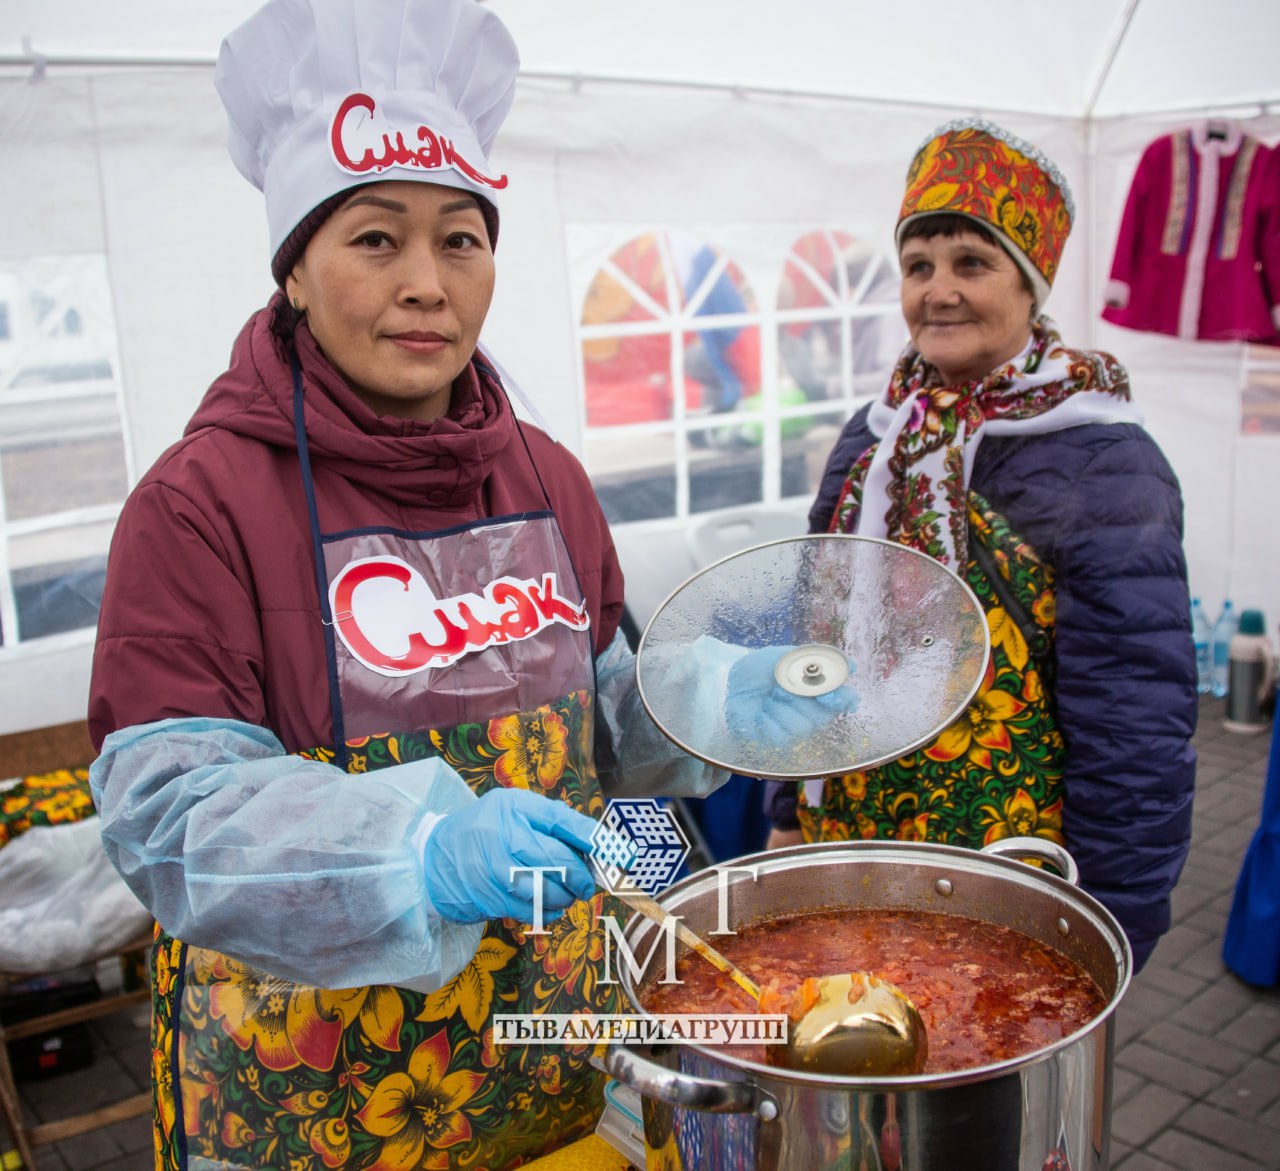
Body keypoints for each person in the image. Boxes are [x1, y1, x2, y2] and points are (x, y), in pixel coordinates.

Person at [84, 2, 851, 1168]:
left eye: (459, 239)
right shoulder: (199, 505)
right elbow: (171, 819)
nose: (427, 284)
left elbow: (600, 725)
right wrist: (416, 852)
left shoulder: (545, 476)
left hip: (549, 1065)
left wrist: (712, 701)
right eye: (374, 239)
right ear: (295, 273)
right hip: (313, 1101)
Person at [764, 119, 1198, 974]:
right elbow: (812, 631)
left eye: (971, 263)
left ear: (1031, 287)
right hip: (850, 831)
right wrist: (786, 809)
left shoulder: (1106, 459)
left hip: (1013, 866)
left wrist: (1113, 915)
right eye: (918, 266)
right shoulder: (873, 437)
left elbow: (1135, 717)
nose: (939, 291)